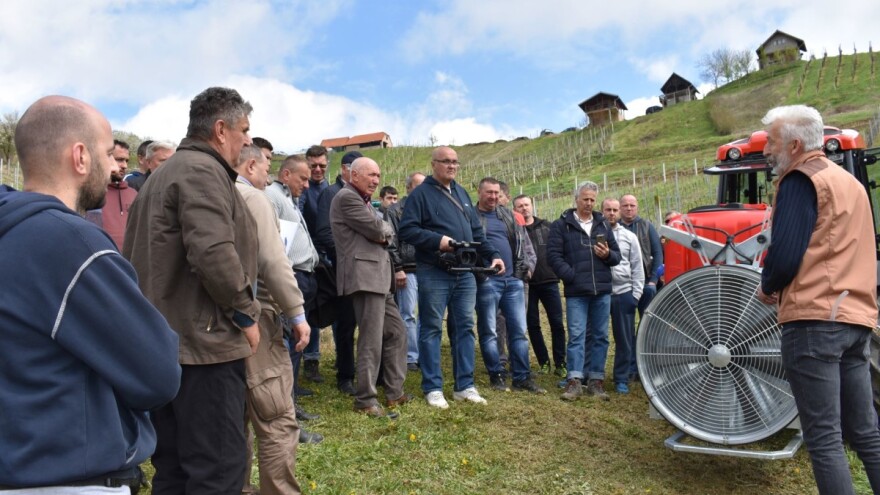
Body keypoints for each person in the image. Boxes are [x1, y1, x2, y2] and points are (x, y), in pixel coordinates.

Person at [0, 95, 180, 492]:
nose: (116, 165)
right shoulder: (73, 245)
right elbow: (159, 374)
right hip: (68, 475)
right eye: (107, 152)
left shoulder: (11, 233)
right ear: (80, 157)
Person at [124, 86, 261, 494]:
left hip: (166, 345)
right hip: (205, 349)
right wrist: (245, 314)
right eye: (245, 129)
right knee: (217, 470)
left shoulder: (161, 176)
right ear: (221, 130)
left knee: (174, 469)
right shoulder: (202, 172)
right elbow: (213, 253)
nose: (249, 140)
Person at [756, 104, 880, 495]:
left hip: (814, 322)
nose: (765, 150)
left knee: (824, 439)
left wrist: (768, 284)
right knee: (866, 433)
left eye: (771, 142)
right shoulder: (851, 183)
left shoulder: (799, 180)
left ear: (794, 145)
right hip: (856, 320)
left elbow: (787, 254)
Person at [399, 146, 504, 409]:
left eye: (455, 162)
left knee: (465, 327)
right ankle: (433, 387)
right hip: (434, 271)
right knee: (432, 328)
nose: (452, 166)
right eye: (446, 161)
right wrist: (438, 241)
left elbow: (476, 233)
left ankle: (464, 385)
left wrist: (492, 255)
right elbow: (408, 230)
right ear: (433, 164)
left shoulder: (461, 192)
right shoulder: (420, 195)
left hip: (465, 273)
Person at [233, 144, 312, 493]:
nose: (269, 175)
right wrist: (296, 313)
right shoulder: (252, 199)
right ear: (251, 165)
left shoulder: (197, 192)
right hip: (256, 317)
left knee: (235, 421)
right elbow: (274, 263)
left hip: (209, 327)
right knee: (276, 416)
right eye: (267, 168)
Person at [330, 157, 409, 418]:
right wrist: (384, 230)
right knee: (371, 339)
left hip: (378, 278)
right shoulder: (346, 197)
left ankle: (394, 393)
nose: (376, 180)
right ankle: (365, 400)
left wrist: (384, 231)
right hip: (364, 277)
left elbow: (383, 231)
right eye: (371, 175)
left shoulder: (362, 200)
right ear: (354, 175)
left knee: (397, 331)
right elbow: (379, 229)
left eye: (378, 175)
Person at [547, 181, 620, 402]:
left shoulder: (603, 224)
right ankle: (574, 380)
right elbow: (553, 256)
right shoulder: (562, 225)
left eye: (592, 199)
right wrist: (571, 276)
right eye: (585, 199)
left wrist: (607, 254)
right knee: (577, 336)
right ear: (576, 199)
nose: (589, 203)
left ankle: (596, 381)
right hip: (577, 291)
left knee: (601, 336)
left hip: (602, 290)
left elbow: (616, 256)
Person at [264, 152, 323, 429]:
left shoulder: (289, 198)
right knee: (290, 341)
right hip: (292, 277)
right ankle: (285, 403)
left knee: (299, 340)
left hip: (304, 277)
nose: (307, 185)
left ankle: (292, 396)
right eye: (303, 178)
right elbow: (274, 241)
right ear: (285, 174)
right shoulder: (272, 197)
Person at [474, 178, 545, 394]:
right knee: (490, 331)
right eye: (489, 192)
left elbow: (522, 243)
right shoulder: (471, 218)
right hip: (488, 281)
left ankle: (522, 377)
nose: (494, 197)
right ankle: (496, 374)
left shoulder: (507, 215)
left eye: (497, 193)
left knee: (519, 331)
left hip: (513, 281)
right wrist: (481, 275)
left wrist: (522, 273)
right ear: (479, 193)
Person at [313, 150, 364, 394]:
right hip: (343, 268)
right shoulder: (330, 194)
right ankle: (345, 376)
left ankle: (371, 372)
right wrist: (347, 255)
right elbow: (324, 232)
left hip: (367, 270)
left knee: (368, 323)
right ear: (345, 169)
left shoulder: (364, 196)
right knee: (345, 324)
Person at [514, 194, 567, 377]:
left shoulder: (548, 226)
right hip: (527, 284)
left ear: (532, 205)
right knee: (532, 324)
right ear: (515, 210)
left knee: (557, 323)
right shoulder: (516, 230)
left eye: (527, 204)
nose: (524, 208)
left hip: (550, 281)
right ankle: (543, 362)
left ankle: (560, 363)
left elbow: (560, 250)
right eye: (520, 206)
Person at [601, 198, 644, 395]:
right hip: (599, 293)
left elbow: (637, 266)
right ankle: (593, 375)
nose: (611, 213)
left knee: (624, 338)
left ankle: (621, 378)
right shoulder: (594, 234)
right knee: (596, 336)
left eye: (614, 210)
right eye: (608, 209)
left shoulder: (629, 237)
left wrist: (635, 295)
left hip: (623, 293)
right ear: (601, 211)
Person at [386, 171, 426, 371]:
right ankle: (411, 356)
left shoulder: (429, 208)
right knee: (408, 313)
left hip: (427, 268)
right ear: (408, 187)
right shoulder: (395, 210)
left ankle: (424, 354)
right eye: (418, 185)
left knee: (426, 314)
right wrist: (398, 267)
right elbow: (390, 241)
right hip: (407, 270)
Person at [619, 194, 662, 321]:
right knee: (625, 321)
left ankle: (646, 340)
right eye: (625, 205)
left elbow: (658, 253)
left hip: (646, 281)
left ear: (637, 207)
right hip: (623, 284)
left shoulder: (647, 226)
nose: (629, 208)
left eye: (632, 205)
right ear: (620, 208)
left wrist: (653, 280)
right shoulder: (614, 228)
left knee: (648, 320)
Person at [90, 139, 137, 249]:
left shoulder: (134, 194)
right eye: (119, 160)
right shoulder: (90, 194)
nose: (124, 165)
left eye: (126, 161)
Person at [299, 144, 330, 235]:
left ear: (327, 165)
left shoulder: (327, 184)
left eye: (322, 166)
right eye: (313, 166)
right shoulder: (301, 188)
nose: (318, 169)